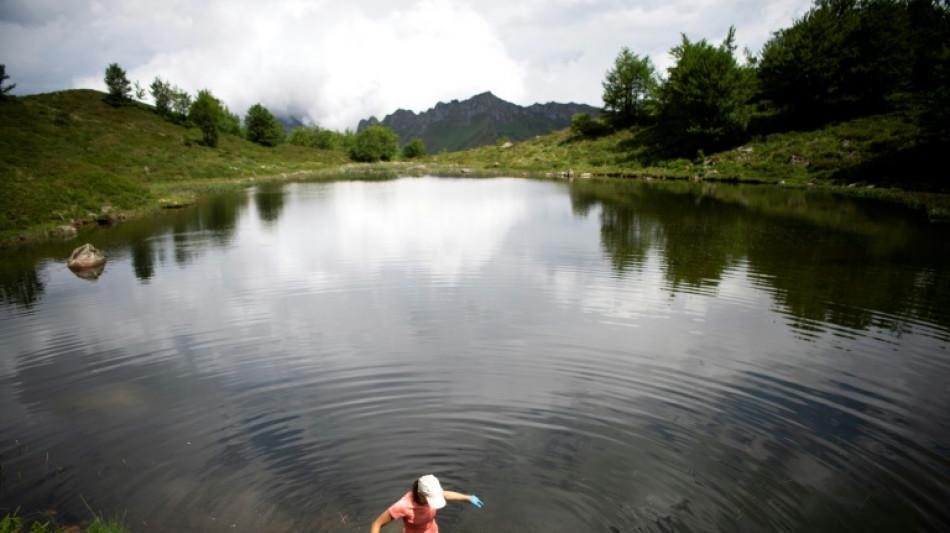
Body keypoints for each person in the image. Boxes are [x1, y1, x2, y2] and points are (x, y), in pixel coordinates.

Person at [369, 474, 483, 533]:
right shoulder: (404, 505)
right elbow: (376, 524)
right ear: (420, 494)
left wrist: (468, 497)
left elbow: (447, 495)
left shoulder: (432, 492)